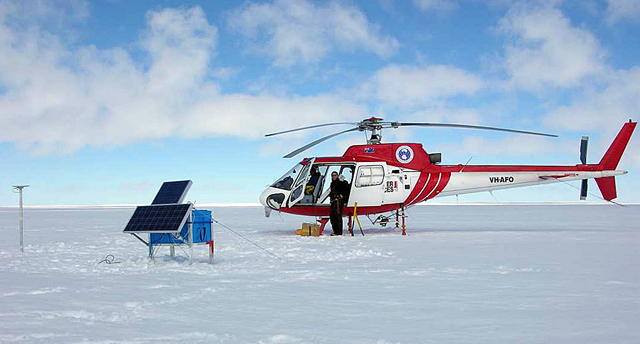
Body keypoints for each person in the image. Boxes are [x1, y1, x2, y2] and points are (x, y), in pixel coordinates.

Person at [329, 171, 349, 236]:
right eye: (332, 175)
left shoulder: (341, 183)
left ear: (337, 176)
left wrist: (342, 195)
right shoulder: (332, 183)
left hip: (339, 202)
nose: (333, 176)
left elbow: (346, 191)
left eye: (335, 175)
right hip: (333, 202)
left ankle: (338, 232)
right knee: (332, 217)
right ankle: (335, 231)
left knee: (338, 217)